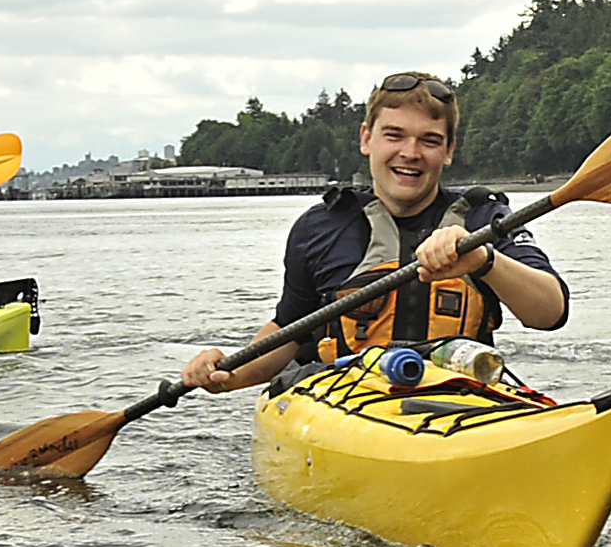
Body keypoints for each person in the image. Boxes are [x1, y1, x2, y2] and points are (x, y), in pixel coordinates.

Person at [178, 72, 570, 393]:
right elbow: (289, 330)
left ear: (448, 151)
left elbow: (551, 313)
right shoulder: (319, 227)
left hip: (461, 401)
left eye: (429, 141)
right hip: (346, 404)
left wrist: (485, 261)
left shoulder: (486, 218)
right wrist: (231, 373)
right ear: (367, 139)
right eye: (394, 135)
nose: (410, 153)